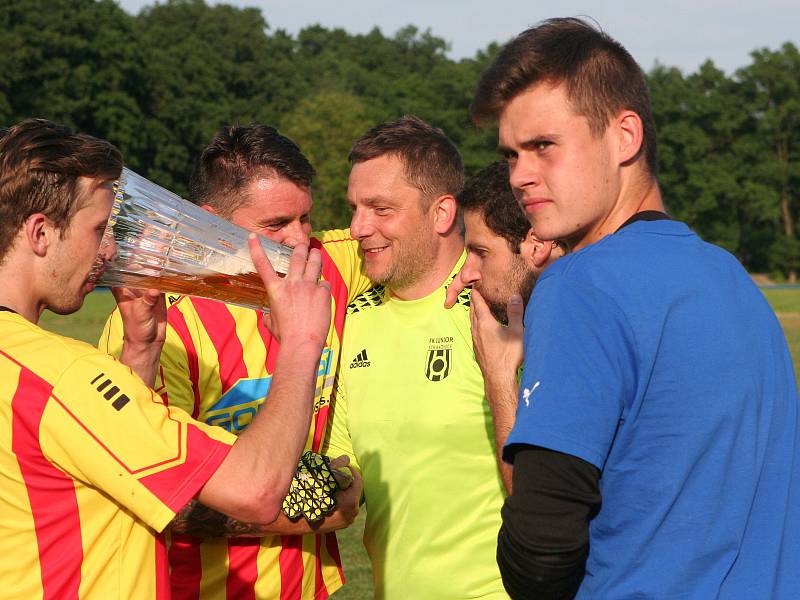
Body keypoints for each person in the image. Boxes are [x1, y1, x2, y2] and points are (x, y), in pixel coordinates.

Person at [470, 17, 800, 599]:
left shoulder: (580, 284)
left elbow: (541, 551)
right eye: (511, 153)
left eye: (543, 145)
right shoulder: (730, 277)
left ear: (624, 136)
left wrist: (501, 376)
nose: (519, 175)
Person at [0, 118, 335, 598]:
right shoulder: (67, 374)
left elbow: (97, 467)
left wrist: (140, 350)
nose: (111, 249)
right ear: (40, 233)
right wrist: (303, 341)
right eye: (98, 229)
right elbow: (256, 492)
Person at [99, 123, 370, 599]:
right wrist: (319, 510)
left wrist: (468, 266)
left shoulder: (328, 267)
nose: (299, 240)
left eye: (305, 218)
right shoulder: (157, 325)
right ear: (211, 222)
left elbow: (421, 235)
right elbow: (165, 496)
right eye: (275, 226)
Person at [323, 116, 507, 599]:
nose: (358, 228)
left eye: (381, 209)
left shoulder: (496, 311)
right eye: (355, 208)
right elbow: (345, 473)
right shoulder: (352, 322)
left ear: (442, 213)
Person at [451, 161, 564, 491]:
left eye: (480, 253)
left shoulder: (576, 331)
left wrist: (499, 379)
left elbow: (534, 496)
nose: (467, 273)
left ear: (537, 242)